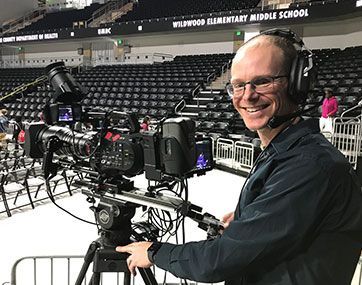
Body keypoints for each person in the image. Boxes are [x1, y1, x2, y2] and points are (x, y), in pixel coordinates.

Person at [116, 30, 362, 285]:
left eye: (263, 81)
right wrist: (257, 215)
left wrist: (155, 252)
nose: (247, 96)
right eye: (238, 85)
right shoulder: (286, 151)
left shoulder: (310, 166)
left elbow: (220, 261)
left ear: (297, 83)